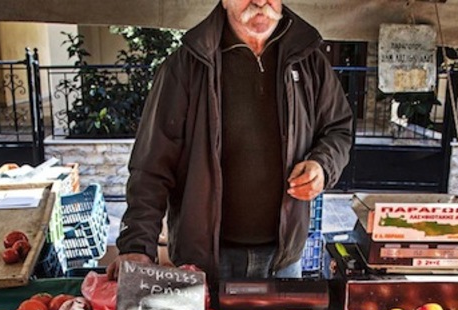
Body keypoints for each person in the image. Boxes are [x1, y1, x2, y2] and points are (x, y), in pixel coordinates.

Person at [107, 0, 353, 282]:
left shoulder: (309, 60)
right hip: (204, 262)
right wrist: (137, 245)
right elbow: (152, 164)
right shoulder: (187, 65)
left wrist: (323, 164)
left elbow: (338, 129)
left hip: (283, 259)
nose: (260, 3)